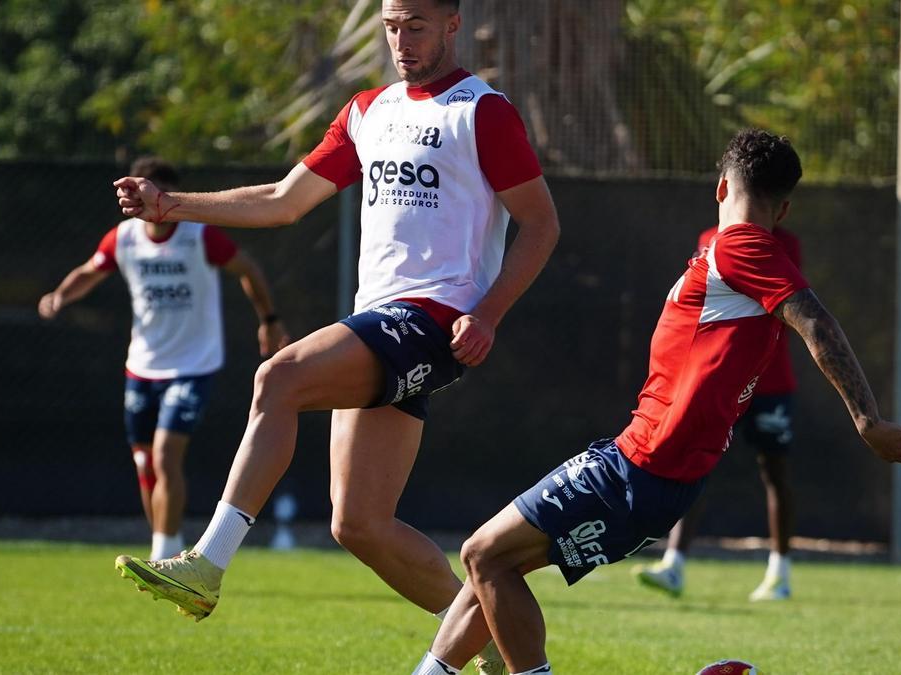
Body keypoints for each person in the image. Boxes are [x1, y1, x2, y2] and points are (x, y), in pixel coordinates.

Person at [112, 2, 559, 671]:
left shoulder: (481, 111)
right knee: (358, 523)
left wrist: (489, 312)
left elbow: (542, 223)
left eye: (416, 25)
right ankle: (484, 639)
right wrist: (175, 204)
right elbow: (285, 200)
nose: (401, 40)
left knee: (279, 377)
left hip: (433, 321)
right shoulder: (367, 109)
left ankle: (208, 562)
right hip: (381, 322)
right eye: (390, 26)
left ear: (452, 25)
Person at [409, 129, 901, 675]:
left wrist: (867, 419)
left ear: (720, 187)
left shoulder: (741, 246)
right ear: (784, 206)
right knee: (494, 565)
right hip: (659, 474)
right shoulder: (740, 254)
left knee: (482, 555)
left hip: (642, 463)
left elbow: (815, 320)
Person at [38, 156, 289, 561]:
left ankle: (164, 552)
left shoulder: (198, 236)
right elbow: (91, 270)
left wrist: (270, 320)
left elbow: (249, 269)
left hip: (193, 365)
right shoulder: (123, 239)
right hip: (142, 365)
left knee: (165, 453)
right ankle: (162, 545)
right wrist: (60, 296)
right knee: (144, 462)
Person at [633, 223, 804, 601]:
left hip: (770, 381)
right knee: (696, 465)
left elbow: (788, 310)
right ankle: (674, 564)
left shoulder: (784, 243)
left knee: (774, 471)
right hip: (720, 382)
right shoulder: (709, 239)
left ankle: (780, 572)